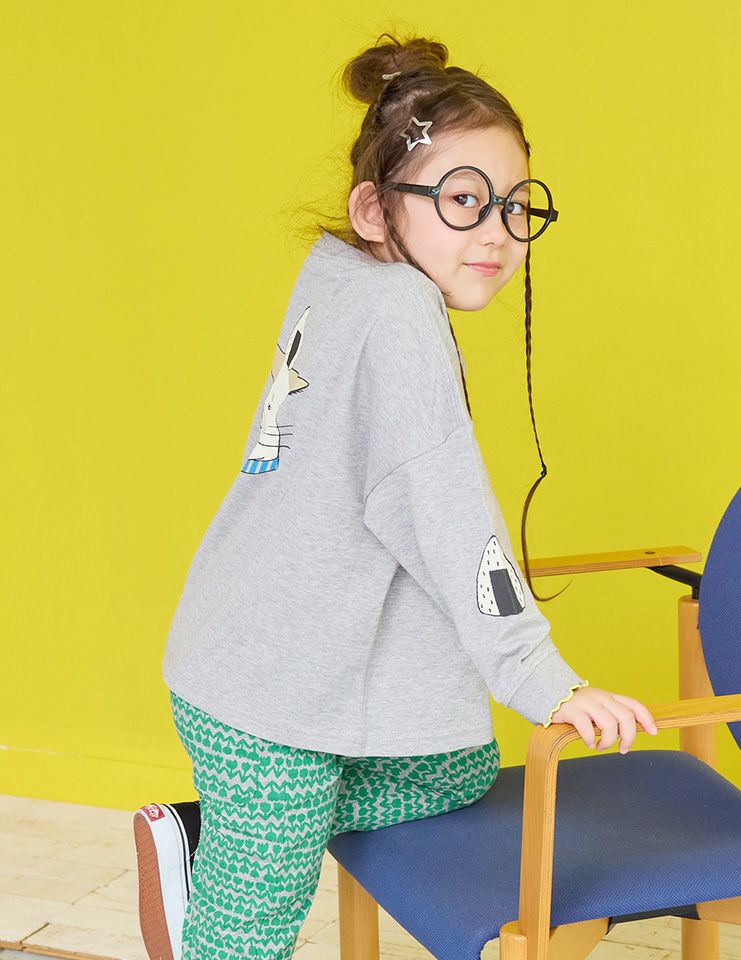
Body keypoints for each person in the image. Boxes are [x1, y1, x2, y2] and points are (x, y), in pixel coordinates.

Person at [133, 32, 659, 960]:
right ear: (375, 210)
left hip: (237, 641)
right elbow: (449, 519)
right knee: (249, 930)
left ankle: (230, 827)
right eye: (462, 201)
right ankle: (244, 846)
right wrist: (546, 679)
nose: (496, 232)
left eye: (515, 205)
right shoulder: (400, 316)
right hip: (268, 692)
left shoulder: (340, 273)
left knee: (454, 765)